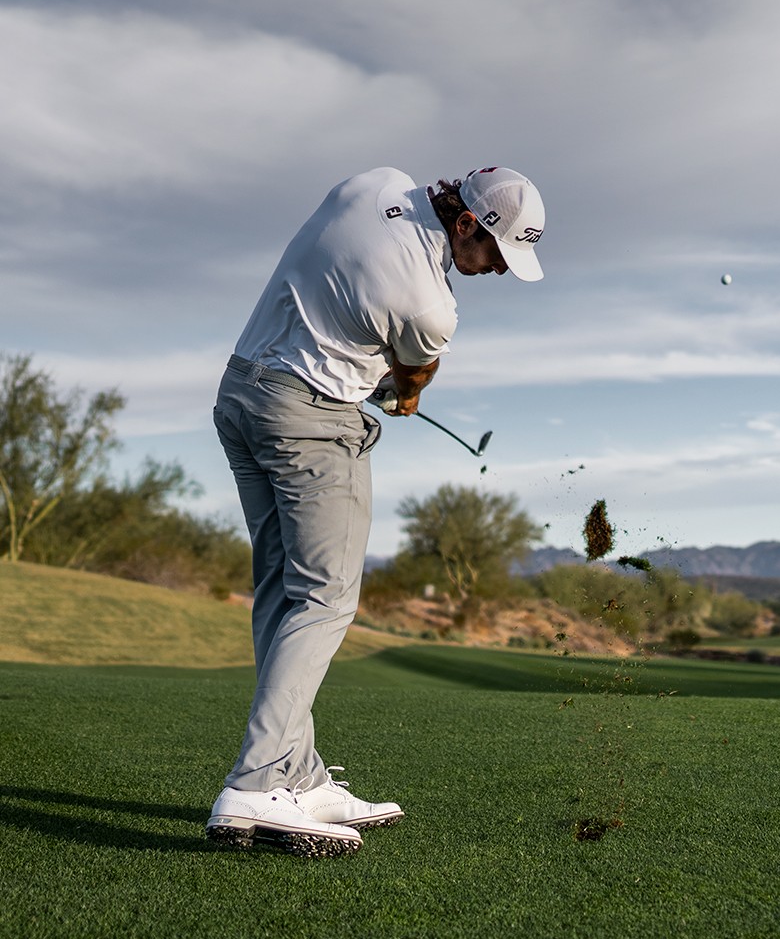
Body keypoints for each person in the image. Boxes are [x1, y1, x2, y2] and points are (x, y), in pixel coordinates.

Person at [206, 165, 545, 857]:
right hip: (310, 421)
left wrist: (376, 367)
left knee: (281, 587)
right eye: (496, 255)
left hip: (241, 395)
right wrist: (404, 393)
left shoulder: (377, 182)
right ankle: (256, 782)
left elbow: (350, 277)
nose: (498, 271)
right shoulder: (431, 306)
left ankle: (297, 772)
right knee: (326, 596)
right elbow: (412, 372)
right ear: (465, 225)